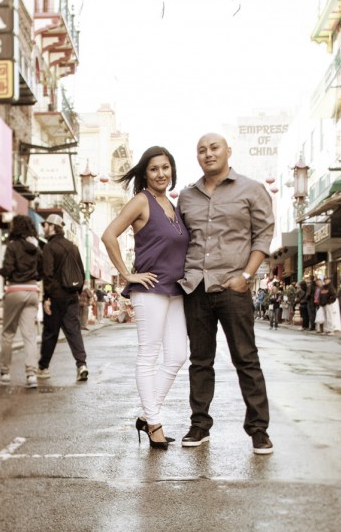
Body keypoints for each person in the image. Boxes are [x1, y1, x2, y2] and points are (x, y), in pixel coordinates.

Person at [178, 133, 275, 455]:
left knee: (245, 358)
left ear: (228, 152)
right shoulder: (187, 196)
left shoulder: (251, 189)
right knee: (200, 361)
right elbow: (180, 240)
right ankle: (199, 425)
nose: (208, 154)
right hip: (197, 287)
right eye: (201, 149)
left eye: (214, 148)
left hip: (233, 286)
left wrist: (246, 276)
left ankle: (259, 430)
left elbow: (263, 235)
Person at [102, 145, 189, 450]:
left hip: (176, 290)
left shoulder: (171, 204)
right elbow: (109, 234)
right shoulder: (142, 201)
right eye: (154, 169)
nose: (161, 174)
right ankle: (154, 423)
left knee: (178, 355)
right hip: (150, 289)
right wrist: (127, 274)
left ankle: (146, 415)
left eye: (165, 167)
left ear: (172, 170)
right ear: (145, 173)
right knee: (148, 356)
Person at [0, 215, 42, 388]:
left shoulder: (12, 246)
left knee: (8, 333)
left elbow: (7, 269)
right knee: (29, 335)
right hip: (32, 291)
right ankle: (31, 376)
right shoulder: (36, 248)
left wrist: (0, 271)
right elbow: (42, 271)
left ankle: (4, 373)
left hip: (15, 290)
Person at [40, 214, 89, 381]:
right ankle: (81, 365)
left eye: (45, 224)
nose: (44, 228)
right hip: (71, 296)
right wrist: (77, 291)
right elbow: (81, 272)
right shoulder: (73, 247)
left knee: (50, 333)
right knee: (74, 331)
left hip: (55, 297)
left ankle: (44, 367)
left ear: (53, 226)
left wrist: (47, 297)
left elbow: (47, 274)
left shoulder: (49, 247)